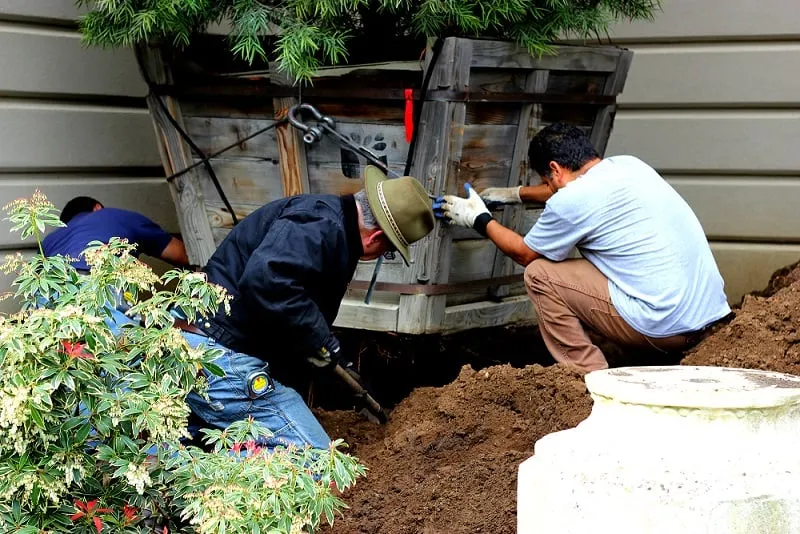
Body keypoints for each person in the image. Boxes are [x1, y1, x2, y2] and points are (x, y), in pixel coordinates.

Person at [173, 166, 435, 449]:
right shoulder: (318, 226)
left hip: (208, 348)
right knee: (319, 461)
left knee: (202, 445)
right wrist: (323, 342)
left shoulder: (328, 223)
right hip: (214, 356)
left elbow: (283, 308)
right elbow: (267, 279)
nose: (382, 255)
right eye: (388, 250)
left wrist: (319, 353)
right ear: (376, 238)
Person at [435, 123, 731, 372]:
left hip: (665, 328)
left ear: (554, 168)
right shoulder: (629, 165)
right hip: (707, 318)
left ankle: (589, 379)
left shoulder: (572, 201)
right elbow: (563, 189)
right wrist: (514, 195)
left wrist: (478, 218)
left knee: (540, 274)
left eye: (545, 181)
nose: (548, 189)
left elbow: (524, 253)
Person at [42, 196, 189, 269]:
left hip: (50, 307)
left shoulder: (49, 240)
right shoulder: (117, 216)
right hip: (97, 292)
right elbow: (181, 255)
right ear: (97, 208)